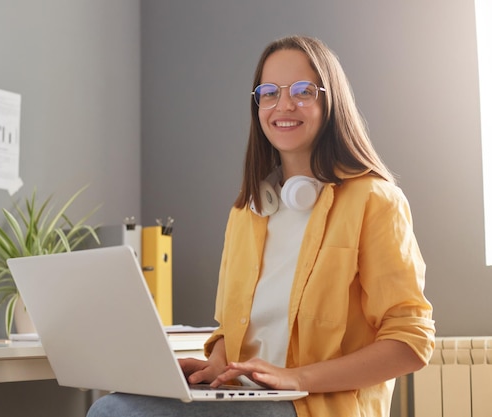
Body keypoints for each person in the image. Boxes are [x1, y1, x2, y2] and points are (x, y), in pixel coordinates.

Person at [87, 35, 435, 417]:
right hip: (243, 395)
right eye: (269, 93)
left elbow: (410, 343)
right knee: (112, 405)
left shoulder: (375, 200)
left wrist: (297, 377)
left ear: (330, 101)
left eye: (303, 90)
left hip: (312, 406)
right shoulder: (247, 211)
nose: (284, 105)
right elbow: (233, 330)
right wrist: (216, 366)